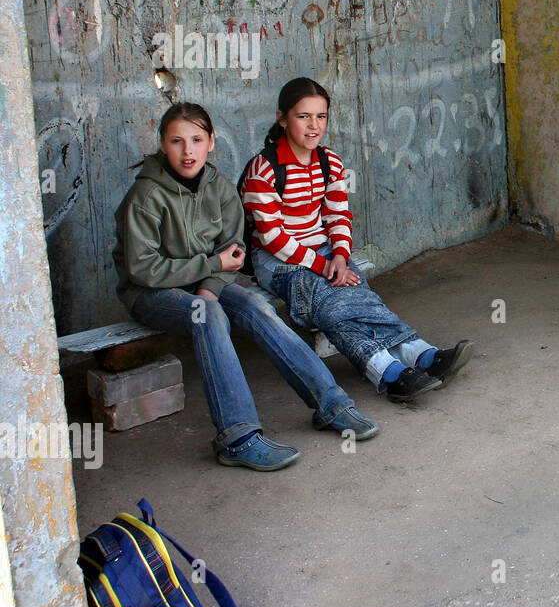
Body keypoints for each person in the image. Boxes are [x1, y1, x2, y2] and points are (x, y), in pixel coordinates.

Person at [113, 102, 378, 471]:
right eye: (176, 141)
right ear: (162, 144)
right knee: (206, 314)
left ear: (211, 142)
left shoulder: (218, 187)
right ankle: (236, 438)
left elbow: (232, 250)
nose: (187, 151)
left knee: (256, 306)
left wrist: (209, 282)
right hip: (150, 293)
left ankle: (332, 403)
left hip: (205, 282)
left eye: (196, 140)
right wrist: (209, 276)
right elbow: (143, 269)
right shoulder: (145, 196)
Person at [242, 77, 473, 402]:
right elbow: (272, 237)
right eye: (303, 116)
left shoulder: (329, 162)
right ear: (282, 118)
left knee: (351, 297)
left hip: (321, 250)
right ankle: (406, 365)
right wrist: (324, 266)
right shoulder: (263, 169)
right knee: (329, 300)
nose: (313, 126)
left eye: (321, 116)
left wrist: (339, 254)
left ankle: (415, 363)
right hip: (277, 262)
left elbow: (337, 216)